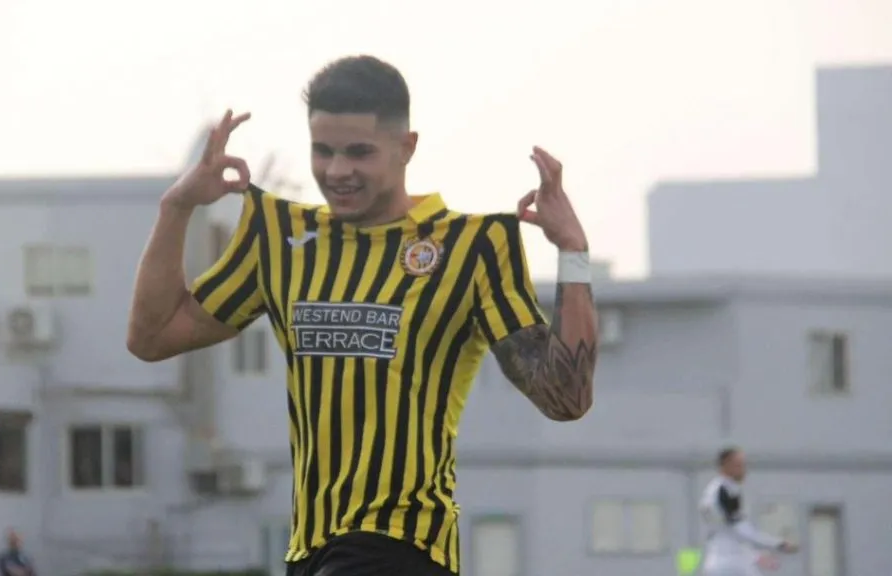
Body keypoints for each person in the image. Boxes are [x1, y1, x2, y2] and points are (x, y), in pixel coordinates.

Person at [127, 55, 599, 576]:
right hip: (309, 549)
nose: (336, 171)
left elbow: (566, 397)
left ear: (406, 148)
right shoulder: (280, 238)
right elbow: (151, 337)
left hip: (405, 542)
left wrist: (573, 250)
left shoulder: (473, 249)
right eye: (322, 151)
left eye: (359, 153)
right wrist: (177, 207)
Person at [699, 447, 798, 576]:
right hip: (729, 564)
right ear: (726, 466)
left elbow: (729, 533)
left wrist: (754, 556)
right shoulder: (722, 492)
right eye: (739, 465)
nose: (744, 470)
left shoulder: (719, 490)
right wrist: (778, 543)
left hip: (726, 559)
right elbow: (741, 529)